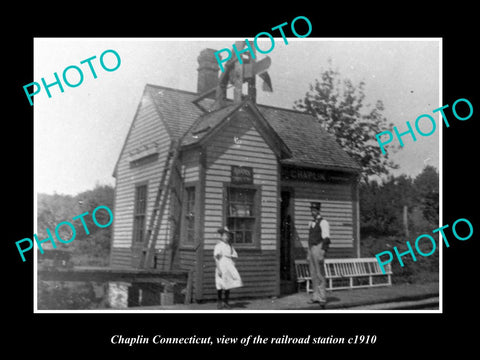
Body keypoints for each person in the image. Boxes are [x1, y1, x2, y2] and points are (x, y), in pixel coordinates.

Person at [307, 202, 331, 308]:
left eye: (315, 210)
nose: (313, 211)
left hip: (319, 247)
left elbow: (326, 239)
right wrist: (309, 252)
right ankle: (315, 296)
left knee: (320, 274)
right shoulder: (310, 223)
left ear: (318, 210)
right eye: (312, 210)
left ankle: (322, 298)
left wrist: (322, 252)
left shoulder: (323, 222)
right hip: (311, 248)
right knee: (313, 273)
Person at [214, 226, 243, 309]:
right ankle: (219, 302)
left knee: (228, 284)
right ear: (221, 236)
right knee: (220, 284)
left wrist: (233, 264)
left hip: (228, 266)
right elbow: (216, 259)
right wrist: (219, 269)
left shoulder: (230, 246)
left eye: (227, 236)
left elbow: (234, 256)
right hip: (221, 265)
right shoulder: (218, 246)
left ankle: (226, 302)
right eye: (224, 236)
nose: (226, 237)